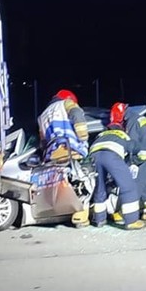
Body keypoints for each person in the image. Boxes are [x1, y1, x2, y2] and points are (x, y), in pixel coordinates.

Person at [36, 89, 90, 227]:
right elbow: (77, 113)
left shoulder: (42, 115)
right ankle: (80, 216)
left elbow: (42, 142)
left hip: (53, 154)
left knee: (66, 184)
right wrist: (82, 134)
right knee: (84, 183)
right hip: (70, 149)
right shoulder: (65, 103)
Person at [88, 120, 146, 230]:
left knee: (100, 188)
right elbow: (135, 148)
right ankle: (131, 220)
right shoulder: (122, 135)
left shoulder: (101, 135)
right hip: (111, 155)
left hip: (94, 156)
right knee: (128, 186)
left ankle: (99, 219)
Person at [112, 102, 146, 221]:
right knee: (145, 186)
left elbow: (132, 144)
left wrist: (129, 161)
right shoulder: (142, 119)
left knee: (135, 187)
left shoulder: (132, 122)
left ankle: (124, 214)